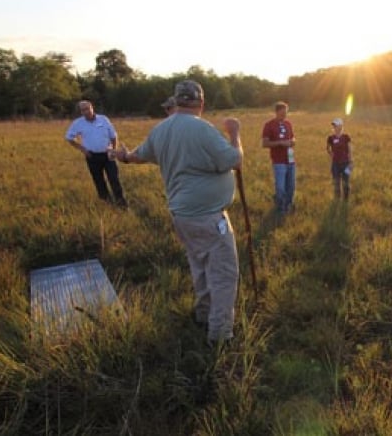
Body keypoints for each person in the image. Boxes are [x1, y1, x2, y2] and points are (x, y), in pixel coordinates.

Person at [111, 80, 244, 347]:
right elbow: (234, 160)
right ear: (201, 104)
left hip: (182, 215)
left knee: (201, 266)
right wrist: (234, 134)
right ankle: (220, 335)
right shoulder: (202, 129)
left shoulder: (161, 129)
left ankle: (203, 314)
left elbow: (139, 155)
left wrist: (122, 156)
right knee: (224, 274)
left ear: (176, 101)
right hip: (208, 216)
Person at [64, 100, 127, 207]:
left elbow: (113, 136)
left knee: (114, 179)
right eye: (83, 110)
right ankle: (108, 204)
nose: (86, 111)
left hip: (108, 155)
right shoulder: (78, 123)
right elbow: (69, 138)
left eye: (87, 108)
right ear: (81, 112)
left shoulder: (103, 119)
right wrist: (82, 149)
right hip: (92, 156)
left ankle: (122, 204)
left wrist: (114, 150)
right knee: (99, 181)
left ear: (92, 108)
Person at [262, 101, 296, 213]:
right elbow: (265, 143)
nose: (284, 116)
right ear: (276, 112)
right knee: (281, 188)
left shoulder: (288, 124)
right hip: (278, 161)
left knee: (291, 187)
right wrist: (281, 143)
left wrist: (292, 142)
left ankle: (288, 206)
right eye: (282, 113)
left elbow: (293, 138)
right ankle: (280, 208)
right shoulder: (269, 125)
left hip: (290, 160)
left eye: (286, 113)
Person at [326, 117, 353, 200]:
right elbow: (328, 148)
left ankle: (346, 200)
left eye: (336, 125)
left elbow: (350, 149)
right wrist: (331, 155)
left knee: (346, 183)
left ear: (341, 126)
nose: (334, 127)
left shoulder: (346, 137)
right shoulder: (330, 138)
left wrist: (351, 161)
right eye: (333, 125)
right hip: (335, 164)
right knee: (336, 183)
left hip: (346, 163)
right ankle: (337, 200)